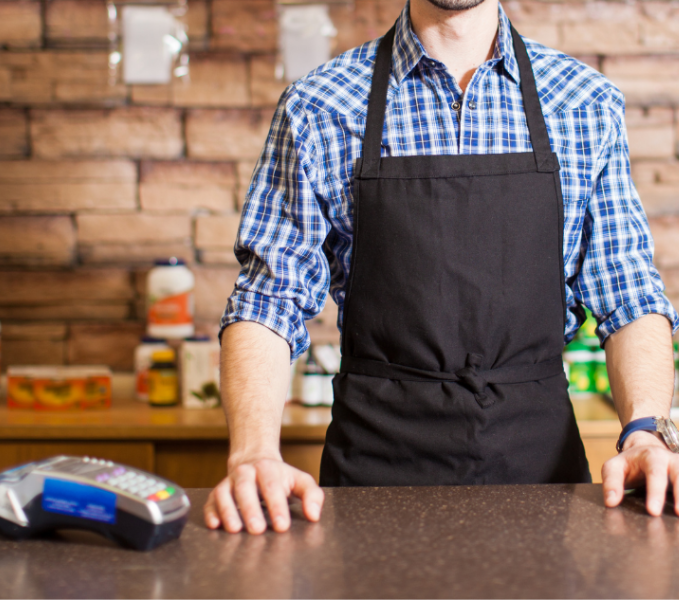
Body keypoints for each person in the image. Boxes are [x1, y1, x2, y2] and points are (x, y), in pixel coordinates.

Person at [204, 0, 679, 535]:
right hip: (373, 480)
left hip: (540, 480)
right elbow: (269, 298)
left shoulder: (584, 103)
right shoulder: (319, 106)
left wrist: (646, 433)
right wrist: (252, 453)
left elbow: (629, 294)